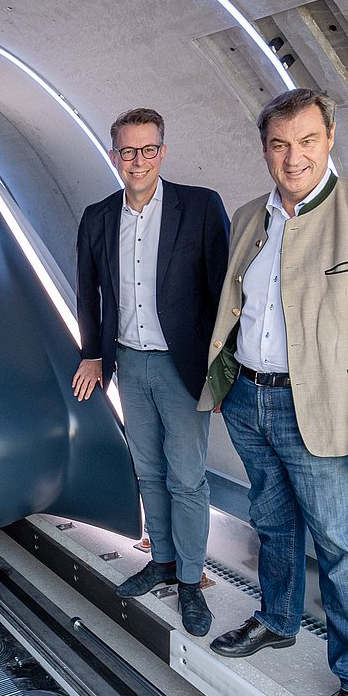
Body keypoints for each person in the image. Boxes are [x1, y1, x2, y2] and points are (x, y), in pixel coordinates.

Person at [204, 89, 348, 696]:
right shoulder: (250, 215)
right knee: (271, 523)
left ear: (329, 137)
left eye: (305, 140)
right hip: (250, 399)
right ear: (265, 148)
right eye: (278, 143)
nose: (292, 156)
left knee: (346, 551)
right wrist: (220, 386)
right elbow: (236, 309)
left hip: (328, 411)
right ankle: (277, 620)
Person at [74, 108, 231, 636]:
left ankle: (190, 580)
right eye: (126, 151)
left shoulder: (201, 207)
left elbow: (222, 293)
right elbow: (88, 293)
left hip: (181, 366)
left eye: (147, 150)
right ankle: (161, 560)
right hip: (128, 362)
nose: (136, 160)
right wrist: (92, 354)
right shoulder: (97, 217)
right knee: (148, 470)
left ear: (161, 152)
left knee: (187, 477)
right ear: (113, 154)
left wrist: (220, 364)